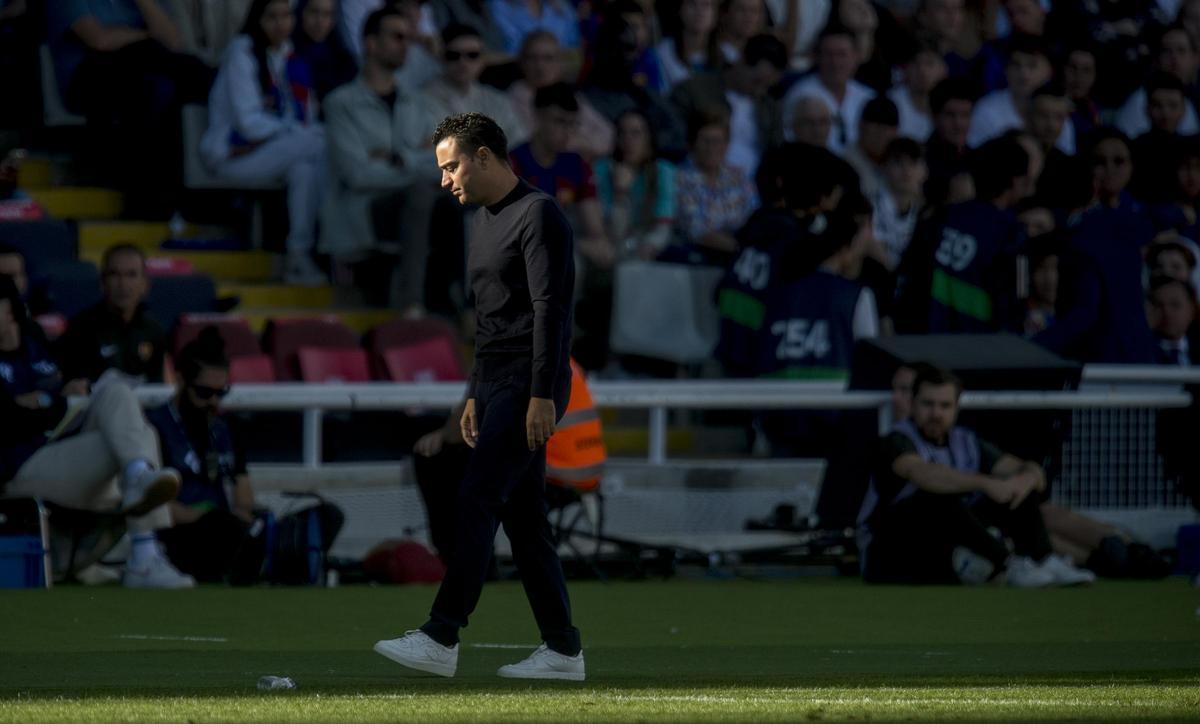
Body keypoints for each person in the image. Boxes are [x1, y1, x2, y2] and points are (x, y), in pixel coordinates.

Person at [374, 112, 583, 681]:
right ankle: (563, 649)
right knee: (524, 518)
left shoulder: (540, 215)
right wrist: (472, 394)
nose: (446, 180)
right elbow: (489, 322)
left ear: (484, 155)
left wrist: (541, 395)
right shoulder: (484, 223)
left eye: (451, 166)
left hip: (528, 382)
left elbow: (551, 312)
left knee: (476, 496)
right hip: (495, 381)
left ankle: (442, 634)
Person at [0, 276, 192, 589]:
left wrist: (50, 399)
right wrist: (51, 401)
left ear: (10, 311)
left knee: (115, 391)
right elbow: (10, 420)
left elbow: (48, 400)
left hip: (56, 444)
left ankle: (138, 478)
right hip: (18, 466)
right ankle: (144, 551)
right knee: (139, 440)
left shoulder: (35, 342)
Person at [857, 364, 1094, 587]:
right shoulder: (894, 441)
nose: (936, 413)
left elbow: (1030, 472)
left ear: (956, 407)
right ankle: (1008, 564)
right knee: (936, 497)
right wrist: (986, 483)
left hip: (943, 543)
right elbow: (924, 475)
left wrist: (1023, 480)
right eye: (927, 404)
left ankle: (1044, 558)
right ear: (913, 404)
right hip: (890, 549)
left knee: (1015, 489)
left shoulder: (966, 442)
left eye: (945, 405)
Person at [200, 0, 328, 285]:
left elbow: (305, 116)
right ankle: (329, 244)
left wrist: (298, 131)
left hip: (279, 151)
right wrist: (296, 131)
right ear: (257, 20)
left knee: (305, 169)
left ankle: (298, 256)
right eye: (272, 17)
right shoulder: (242, 52)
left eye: (286, 16)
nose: (281, 24)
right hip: (232, 155)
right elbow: (248, 123)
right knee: (319, 142)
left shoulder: (292, 57)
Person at [320, 5, 437, 311]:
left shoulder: (418, 102)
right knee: (423, 192)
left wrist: (397, 159)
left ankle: (464, 307)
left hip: (412, 205)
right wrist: (416, 158)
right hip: (365, 210)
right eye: (398, 36)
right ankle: (413, 304)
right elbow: (357, 175)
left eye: (409, 37)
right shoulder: (340, 103)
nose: (406, 44)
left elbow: (445, 163)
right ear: (371, 43)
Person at [509, 83, 614, 271]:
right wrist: (578, 245)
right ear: (538, 117)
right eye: (560, 121)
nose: (568, 132)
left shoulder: (576, 164)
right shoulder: (512, 163)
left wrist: (600, 244)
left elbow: (594, 227)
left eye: (573, 124)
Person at [668, 33, 787, 177]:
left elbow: (776, 152)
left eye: (767, 86)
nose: (761, 91)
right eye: (757, 81)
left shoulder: (769, 107)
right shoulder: (693, 91)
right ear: (741, 62)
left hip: (756, 186)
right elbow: (674, 141)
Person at [56, 245, 167, 384]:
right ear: (103, 282)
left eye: (131, 275)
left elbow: (157, 385)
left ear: (145, 284)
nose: (123, 284)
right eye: (114, 274)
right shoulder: (81, 328)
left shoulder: (154, 331)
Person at [508, 31, 614, 161]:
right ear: (522, 62)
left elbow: (607, 136)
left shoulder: (571, 95)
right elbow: (533, 139)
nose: (540, 66)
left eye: (548, 58)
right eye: (532, 58)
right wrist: (579, 144)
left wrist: (577, 144)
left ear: (560, 63)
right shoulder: (514, 96)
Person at [673, 111, 759, 263]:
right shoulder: (679, 179)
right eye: (705, 141)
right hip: (698, 258)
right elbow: (697, 231)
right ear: (692, 143)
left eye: (718, 141)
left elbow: (754, 217)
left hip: (739, 255)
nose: (711, 148)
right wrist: (740, 249)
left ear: (727, 145)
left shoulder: (739, 178)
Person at [592, 109, 677, 261]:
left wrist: (650, 245)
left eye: (636, 133)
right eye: (622, 133)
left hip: (650, 245)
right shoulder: (602, 169)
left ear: (649, 138)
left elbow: (663, 228)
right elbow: (614, 233)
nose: (628, 140)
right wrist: (621, 193)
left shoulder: (664, 171)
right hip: (612, 246)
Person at [422, 23, 528, 145]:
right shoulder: (422, 99)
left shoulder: (498, 100)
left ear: (483, 59)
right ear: (442, 58)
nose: (463, 62)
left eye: (472, 55)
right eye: (453, 56)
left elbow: (518, 143)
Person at [967, 35, 1073, 154]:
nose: (1024, 74)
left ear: (1049, 71)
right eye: (1016, 65)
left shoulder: (1059, 113)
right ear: (1006, 70)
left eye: (1032, 65)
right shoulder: (986, 111)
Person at [782, 25, 876, 154]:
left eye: (842, 54)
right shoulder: (800, 94)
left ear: (856, 57)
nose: (835, 62)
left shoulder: (868, 97)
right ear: (817, 57)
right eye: (828, 54)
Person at [872, 137, 926, 270]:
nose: (906, 171)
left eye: (912, 163)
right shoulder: (869, 207)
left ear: (923, 171)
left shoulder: (926, 214)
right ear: (884, 166)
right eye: (898, 163)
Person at [293, 0, 358, 103]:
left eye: (327, 14)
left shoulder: (344, 62)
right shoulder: (286, 53)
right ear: (301, 13)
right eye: (314, 12)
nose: (320, 21)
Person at [888, 41, 947, 142]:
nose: (922, 70)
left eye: (929, 63)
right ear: (906, 69)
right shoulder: (891, 102)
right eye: (915, 63)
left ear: (943, 70)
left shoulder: (951, 107)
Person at [655, 0, 720, 89]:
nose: (699, 11)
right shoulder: (662, 52)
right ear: (680, 10)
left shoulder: (723, 58)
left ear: (715, 14)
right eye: (692, 3)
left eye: (706, 5)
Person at [842, 96, 899, 198]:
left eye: (887, 129)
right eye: (877, 128)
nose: (882, 135)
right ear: (861, 126)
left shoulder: (901, 163)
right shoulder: (845, 162)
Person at [487, 0, 580, 56]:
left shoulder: (562, 8)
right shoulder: (498, 5)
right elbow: (513, 45)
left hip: (563, 75)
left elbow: (574, 47)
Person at [1148, 275, 1198, 366]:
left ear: (1192, 309)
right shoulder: (1139, 350)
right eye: (1159, 305)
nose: (1167, 312)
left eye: (1175, 305)